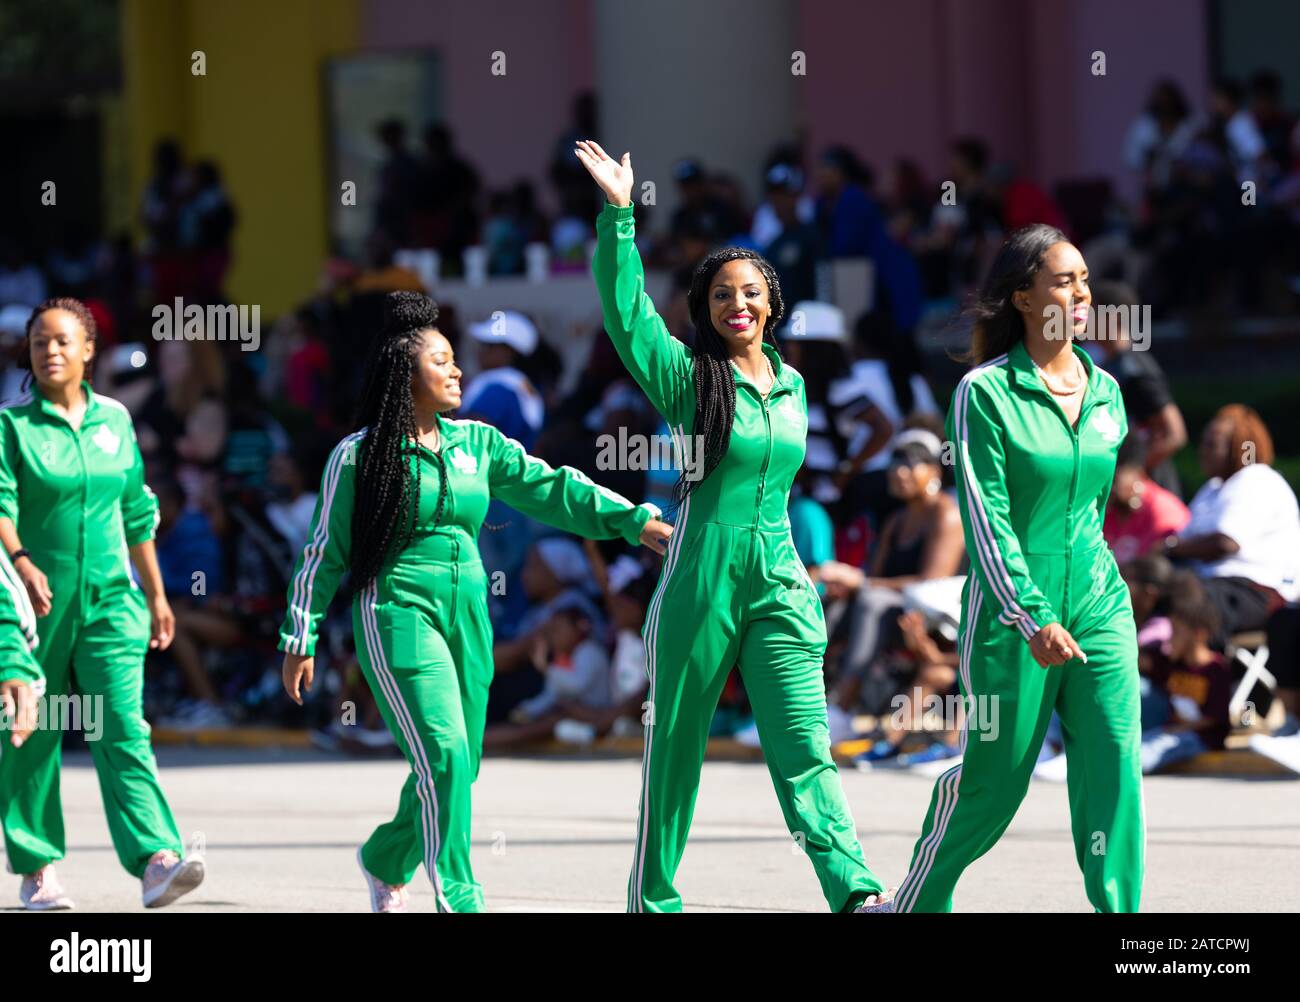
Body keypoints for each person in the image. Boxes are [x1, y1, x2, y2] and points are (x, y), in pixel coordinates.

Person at [277, 291, 670, 913]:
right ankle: (460, 897)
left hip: (470, 614)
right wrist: (299, 636)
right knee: (447, 753)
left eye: (457, 359)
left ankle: (385, 857)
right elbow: (322, 552)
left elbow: (553, 489)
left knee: (460, 764)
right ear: (406, 378)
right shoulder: (357, 455)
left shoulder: (478, 444)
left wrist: (633, 520)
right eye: (442, 361)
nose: (458, 370)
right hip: (398, 613)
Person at [576, 139, 891, 914]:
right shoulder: (691, 379)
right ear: (707, 310)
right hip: (701, 578)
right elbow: (628, 321)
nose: (736, 304)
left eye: (749, 292)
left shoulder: (792, 387)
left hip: (779, 578)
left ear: (771, 303)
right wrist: (620, 217)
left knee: (804, 749)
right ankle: (653, 901)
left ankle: (853, 890)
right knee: (676, 754)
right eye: (720, 295)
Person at [893, 224, 1143, 913]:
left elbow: (1091, 513)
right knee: (995, 782)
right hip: (1012, 618)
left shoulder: (1107, 393)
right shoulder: (985, 394)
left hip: (1098, 604)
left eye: (1085, 279)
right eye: (1064, 280)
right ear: (1024, 298)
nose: (1082, 292)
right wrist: (1032, 615)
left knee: (1115, 765)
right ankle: (916, 900)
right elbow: (986, 518)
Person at [0, 298, 205, 910]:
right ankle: (37, 868)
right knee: (32, 730)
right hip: (36, 600)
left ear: (89, 351)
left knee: (121, 724)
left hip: (114, 599)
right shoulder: (12, 428)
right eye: (40, 342)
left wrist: (159, 594)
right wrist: (23, 562)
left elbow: (136, 511)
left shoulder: (115, 420)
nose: (50, 351)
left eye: (63, 341)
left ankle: (156, 861)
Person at [1164, 405, 1300, 639]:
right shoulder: (1213, 489)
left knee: (1185, 597)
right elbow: (1184, 540)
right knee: (1147, 583)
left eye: (1212, 445)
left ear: (1238, 448)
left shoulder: (1256, 479)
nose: (1202, 451)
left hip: (1256, 592)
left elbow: (1224, 544)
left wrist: (1170, 546)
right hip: (1209, 584)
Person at [1090, 280, 1187, 497]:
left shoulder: (1135, 369)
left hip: (1149, 493)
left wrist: (1134, 471)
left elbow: (1175, 434)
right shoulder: (1108, 367)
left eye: (1092, 312)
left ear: (1112, 317)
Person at [1103, 434, 1190, 563]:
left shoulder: (1163, 511)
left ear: (1138, 473)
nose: (1108, 487)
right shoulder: (1108, 511)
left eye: (1114, 480)